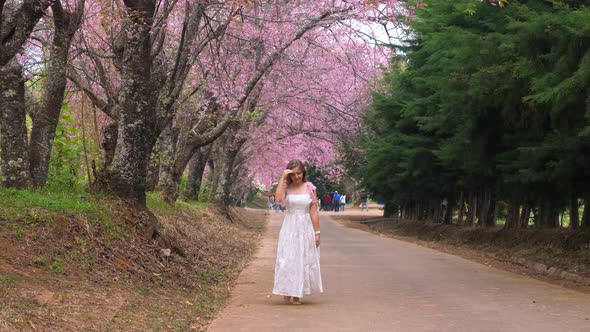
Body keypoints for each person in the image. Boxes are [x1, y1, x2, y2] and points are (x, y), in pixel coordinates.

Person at [273, 159, 323, 305]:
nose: (296, 177)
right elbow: (278, 200)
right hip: (289, 226)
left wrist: (317, 232)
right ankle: (287, 288)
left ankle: (297, 293)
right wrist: (282, 178)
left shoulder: (310, 187)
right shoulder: (285, 187)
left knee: (302, 258)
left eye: (299, 174)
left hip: (305, 226)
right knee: (288, 257)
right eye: (293, 174)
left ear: (303, 173)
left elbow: (314, 212)